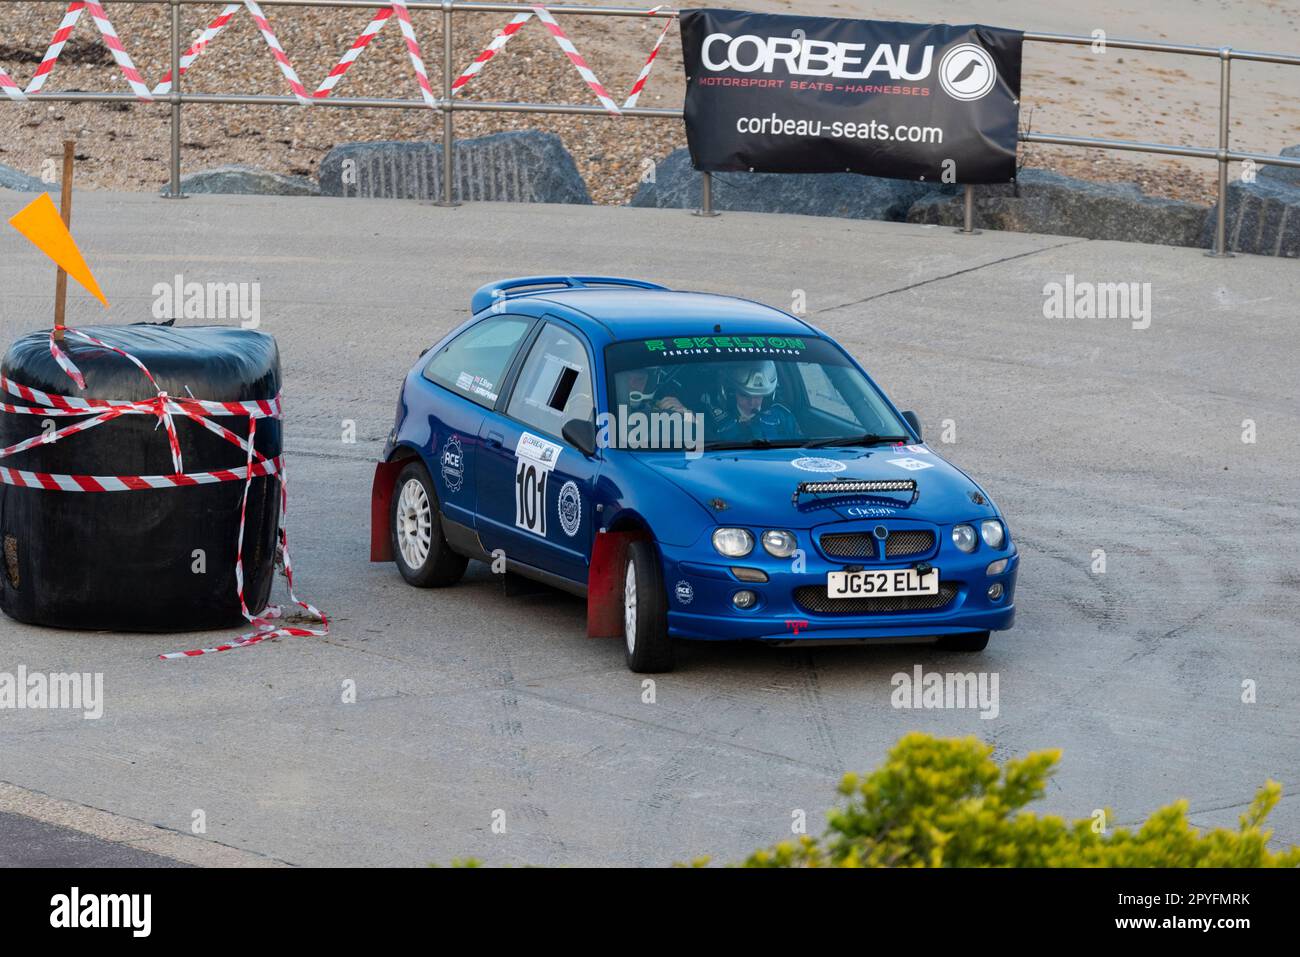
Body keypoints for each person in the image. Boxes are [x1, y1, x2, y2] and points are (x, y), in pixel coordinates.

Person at [710, 360, 798, 442]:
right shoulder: (712, 421)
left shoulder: (783, 418)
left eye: (758, 395)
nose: (752, 403)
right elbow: (698, 451)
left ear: (767, 395)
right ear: (731, 394)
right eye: (744, 395)